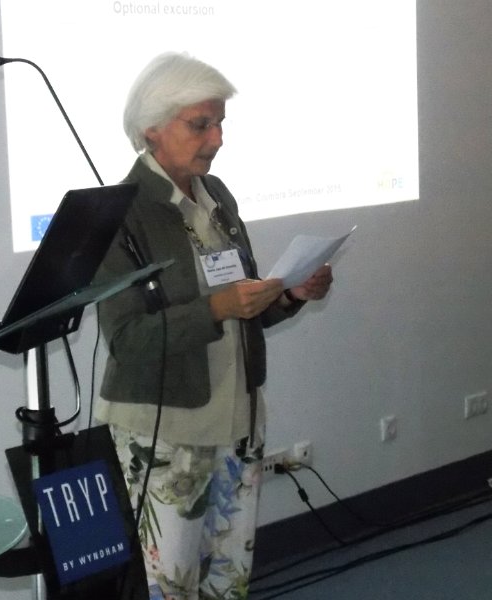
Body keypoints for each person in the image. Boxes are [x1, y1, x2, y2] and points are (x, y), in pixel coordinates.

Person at [94, 52, 333, 600]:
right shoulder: (119, 213)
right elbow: (128, 339)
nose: (217, 138)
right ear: (151, 128)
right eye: (200, 124)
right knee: (169, 586)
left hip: (237, 419)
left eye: (220, 123)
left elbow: (242, 306)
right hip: (166, 433)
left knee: (228, 579)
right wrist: (218, 308)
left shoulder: (217, 194)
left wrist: (289, 293)